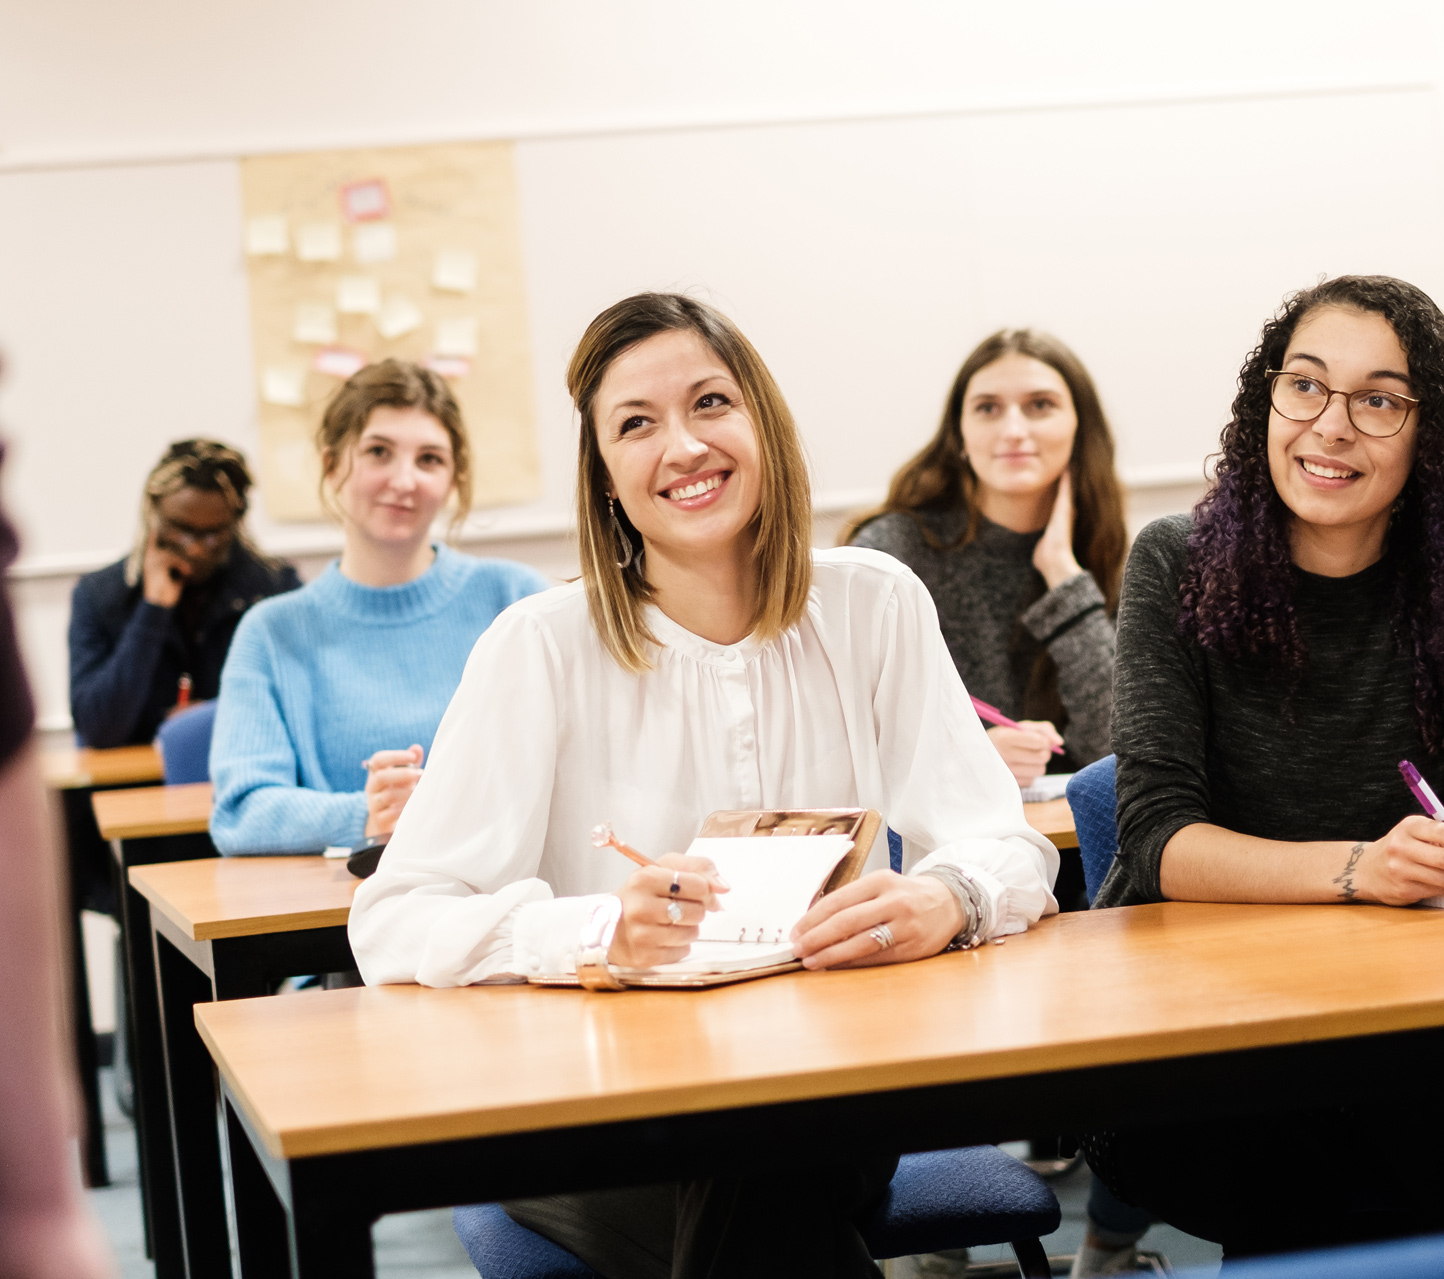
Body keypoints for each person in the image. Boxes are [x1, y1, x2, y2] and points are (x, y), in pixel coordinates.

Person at [347, 293, 1057, 1279]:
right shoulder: (537, 646)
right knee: (756, 1179)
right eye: (635, 424)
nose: (681, 445)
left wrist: (947, 894)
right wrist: (594, 932)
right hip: (595, 1112)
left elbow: (1006, 841)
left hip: (823, 1097)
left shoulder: (871, 603)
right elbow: (394, 919)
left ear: (761, 424)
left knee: (766, 1147)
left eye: (710, 403)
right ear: (603, 478)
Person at [1085, 276, 1444, 1259]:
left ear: (1427, 432)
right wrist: (1357, 869)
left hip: (1409, 1010)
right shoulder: (1177, 562)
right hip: (1204, 1015)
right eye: (1303, 386)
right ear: (1266, 400)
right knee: (1302, 1177)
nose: (1331, 425)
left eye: (1378, 400)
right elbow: (1157, 836)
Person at [209, 360, 546, 855]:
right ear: (331, 465)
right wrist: (367, 813)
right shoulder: (271, 633)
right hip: (340, 914)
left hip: (510, 891)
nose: (403, 480)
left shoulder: (517, 600)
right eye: (378, 452)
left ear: (454, 479)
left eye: (429, 459)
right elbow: (240, 812)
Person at [848, 330, 1124, 788]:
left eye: (1040, 405)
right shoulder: (890, 551)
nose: (1014, 430)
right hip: (934, 848)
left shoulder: (1109, 557)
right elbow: (845, 742)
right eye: (988, 408)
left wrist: (1063, 574)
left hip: (1070, 844)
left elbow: (1122, 752)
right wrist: (967, 757)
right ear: (959, 434)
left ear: (1080, 429)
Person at [0, 437, 117, 1278]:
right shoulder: (109, 595)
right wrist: (154, 606)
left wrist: (42, 1209)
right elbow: (108, 721)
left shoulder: (254, 584)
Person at [68, 439, 299, 747]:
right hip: (133, 783)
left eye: (213, 533)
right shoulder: (100, 595)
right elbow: (98, 728)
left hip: (246, 768)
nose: (196, 548)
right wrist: (152, 611)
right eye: (181, 528)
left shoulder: (273, 589)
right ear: (154, 516)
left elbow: (299, 704)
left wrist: (203, 721)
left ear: (236, 523)